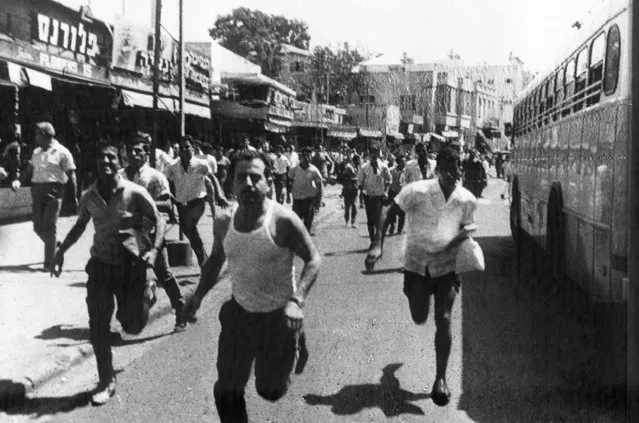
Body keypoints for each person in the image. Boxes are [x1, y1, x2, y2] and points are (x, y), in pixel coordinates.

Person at [182, 150, 321, 423]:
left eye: (255, 177)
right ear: (231, 183)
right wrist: (197, 296)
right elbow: (215, 261)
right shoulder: (223, 222)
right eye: (240, 178)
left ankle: (295, 339)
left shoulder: (283, 220)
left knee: (270, 390)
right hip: (240, 314)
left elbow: (314, 259)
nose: (247, 184)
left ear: (268, 182)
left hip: (278, 317)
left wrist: (298, 300)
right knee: (226, 390)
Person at [51, 140, 164, 405]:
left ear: (119, 161)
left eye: (111, 158)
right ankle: (106, 380)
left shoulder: (133, 192)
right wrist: (61, 251)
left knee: (132, 325)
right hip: (101, 265)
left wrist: (155, 252)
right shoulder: (90, 195)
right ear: (97, 166)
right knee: (98, 325)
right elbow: (80, 226)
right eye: (102, 160)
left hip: (128, 265)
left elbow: (158, 219)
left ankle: (147, 296)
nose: (107, 164)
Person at [366, 145, 478, 406]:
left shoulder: (466, 199)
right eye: (448, 168)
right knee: (419, 316)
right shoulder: (417, 191)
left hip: (447, 269)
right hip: (417, 266)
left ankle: (440, 379)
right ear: (438, 169)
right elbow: (387, 210)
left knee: (445, 318)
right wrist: (377, 244)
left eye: (457, 168)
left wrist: (460, 238)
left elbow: (469, 225)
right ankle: (389, 374)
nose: (454, 174)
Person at [123, 133, 186, 332]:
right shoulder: (119, 176)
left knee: (164, 274)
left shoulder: (155, 177)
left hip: (151, 234)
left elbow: (167, 203)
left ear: (145, 154)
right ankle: (139, 307)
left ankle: (180, 310)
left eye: (138, 151)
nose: (134, 154)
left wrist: (142, 205)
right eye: (131, 150)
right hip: (127, 236)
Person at [11, 122, 78, 270]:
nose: (35, 137)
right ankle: (54, 243)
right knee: (37, 227)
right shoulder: (36, 152)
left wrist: (74, 197)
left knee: (49, 226)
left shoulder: (62, 152)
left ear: (43, 135)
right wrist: (18, 181)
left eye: (37, 134)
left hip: (54, 194)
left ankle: (49, 263)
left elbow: (71, 176)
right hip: (37, 193)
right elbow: (29, 170)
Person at [165, 136, 225, 267]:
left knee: (189, 225)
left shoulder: (200, 164)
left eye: (187, 147)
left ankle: (203, 259)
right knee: (189, 230)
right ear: (178, 151)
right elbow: (165, 182)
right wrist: (169, 197)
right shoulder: (173, 166)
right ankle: (203, 258)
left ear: (193, 148)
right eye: (182, 148)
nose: (185, 150)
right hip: (181, 204)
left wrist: (220, 195)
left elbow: (213, 178)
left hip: (197, 202)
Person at [357, 147, 392, 245]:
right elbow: (359, 182)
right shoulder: (364, 167)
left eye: (376, 156)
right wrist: (363, 193)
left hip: (379, 196)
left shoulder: (384, 167)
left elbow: (389, 180)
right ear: (369, 157)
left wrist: (386, 191)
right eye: (373, 156)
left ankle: (377, 240)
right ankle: (373, 241)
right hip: (368, 196)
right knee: (370, 219)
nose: (375, 158)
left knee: (378, 219)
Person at [288, 147, 323, 235]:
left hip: (309, 199)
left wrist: (318, 201)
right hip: (297, 199)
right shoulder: (294, 168)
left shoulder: (314, 170)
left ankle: (306, 238)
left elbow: (319, 186)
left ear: (311, 157)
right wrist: (288, 195)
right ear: (301, 157)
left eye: (308, 155)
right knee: (296, 222)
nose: (306, 158)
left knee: (308, 222)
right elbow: (289, 180)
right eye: (304, 155)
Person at [385, 154, 406, 236]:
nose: (404, 163)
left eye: (404, 161)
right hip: (393, 193)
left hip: (402, 194)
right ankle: (392, 227)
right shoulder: (391, 170)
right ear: (398, 162)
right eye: (402, 161)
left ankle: (400, 229)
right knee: (392, 212)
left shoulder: (406, 171)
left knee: (402, 213)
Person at [341, 154, 360, 228]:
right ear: (354, 161)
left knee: (355, 206)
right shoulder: (348, 167)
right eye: (358, 161)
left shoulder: (358, 167)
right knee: (347, 207)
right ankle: (346, 221)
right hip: (347, 189)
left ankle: (353, 222)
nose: (359, 162)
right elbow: (344, 178)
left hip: (355, 189)